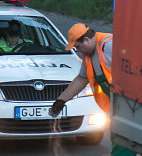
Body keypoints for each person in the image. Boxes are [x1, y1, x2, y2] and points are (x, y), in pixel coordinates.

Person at [49, 23, 136, 156]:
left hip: (130, 103)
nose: (77, 50)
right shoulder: (87, 54)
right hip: (117, 105)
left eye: (77, 46)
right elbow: (81, 79)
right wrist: (61, 100)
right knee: (118, 138)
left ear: (87, 40)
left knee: (124, 140)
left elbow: (134, 71)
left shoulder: (109, 46)